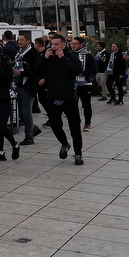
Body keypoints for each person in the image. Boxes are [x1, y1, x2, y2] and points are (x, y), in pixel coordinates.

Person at [33, 34, 84, 165]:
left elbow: (78, 70)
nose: (53, 47)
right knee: (55, 124)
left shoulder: (70, 55)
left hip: (69, 96)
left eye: (56, 44)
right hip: (53, 95)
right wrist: (44, 59)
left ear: (63, 44)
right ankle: (64, 143)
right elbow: (36, 70)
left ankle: (78, 154)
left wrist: (63, 59)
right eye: (52, 44)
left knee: (74, 127)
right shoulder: (47, 55)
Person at [13, 35, 41, 145]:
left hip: (28, 86)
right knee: (21, 112)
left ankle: (29, 136)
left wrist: (21, 73)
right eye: (19, 40)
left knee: (26, 112)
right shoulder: (20, 53)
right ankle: (33, 128)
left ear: (28, 41)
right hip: (19, 84)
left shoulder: (32, 54)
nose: (20, 42)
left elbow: (35, 71)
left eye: (22, 40)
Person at [70, 37, 95, 131]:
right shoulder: (70, 54)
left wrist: (83, 73)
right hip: (73, 83)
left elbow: (94, 69)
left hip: (85, 83)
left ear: (81, 44)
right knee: (72, 104)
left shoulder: (88, 55)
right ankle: (76, 121)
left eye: (75, 44)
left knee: (86, 104)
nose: (73, 45)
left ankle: (88, 123)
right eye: (72, 43)